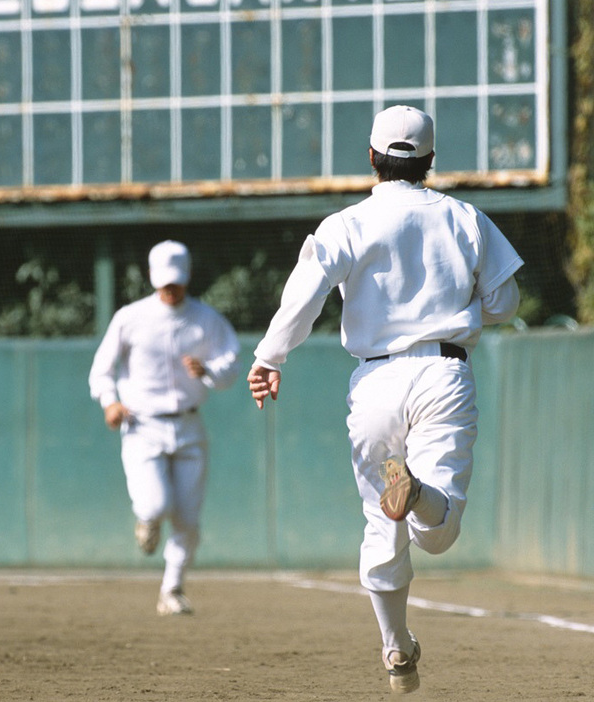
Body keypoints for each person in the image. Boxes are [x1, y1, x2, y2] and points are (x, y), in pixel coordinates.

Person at [247, 105, 523, 693]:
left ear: (370, 158)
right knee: (437, 531)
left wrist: (269, 358)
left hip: (373, 380)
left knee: (380, 521)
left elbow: (305, 293)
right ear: (429, 160)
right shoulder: (464, 217)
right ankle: (419, 493)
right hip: (442, 372)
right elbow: (506, 303)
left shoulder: (346, 223)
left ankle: (397, 647)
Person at [89, 240, 240, 616]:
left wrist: (208, 371)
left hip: (189, 425)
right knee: (156, 503)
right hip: (142, 425)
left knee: (188, 519)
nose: (170, 289)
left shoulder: (206, 319)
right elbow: (102, 369)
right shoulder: (130, 317)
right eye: (163, 282)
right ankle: (147, 518)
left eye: (175, 281)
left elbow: (232, 364)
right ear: (154, 280)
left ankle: (171, 589)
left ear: (186, 278)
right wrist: (110, 401)